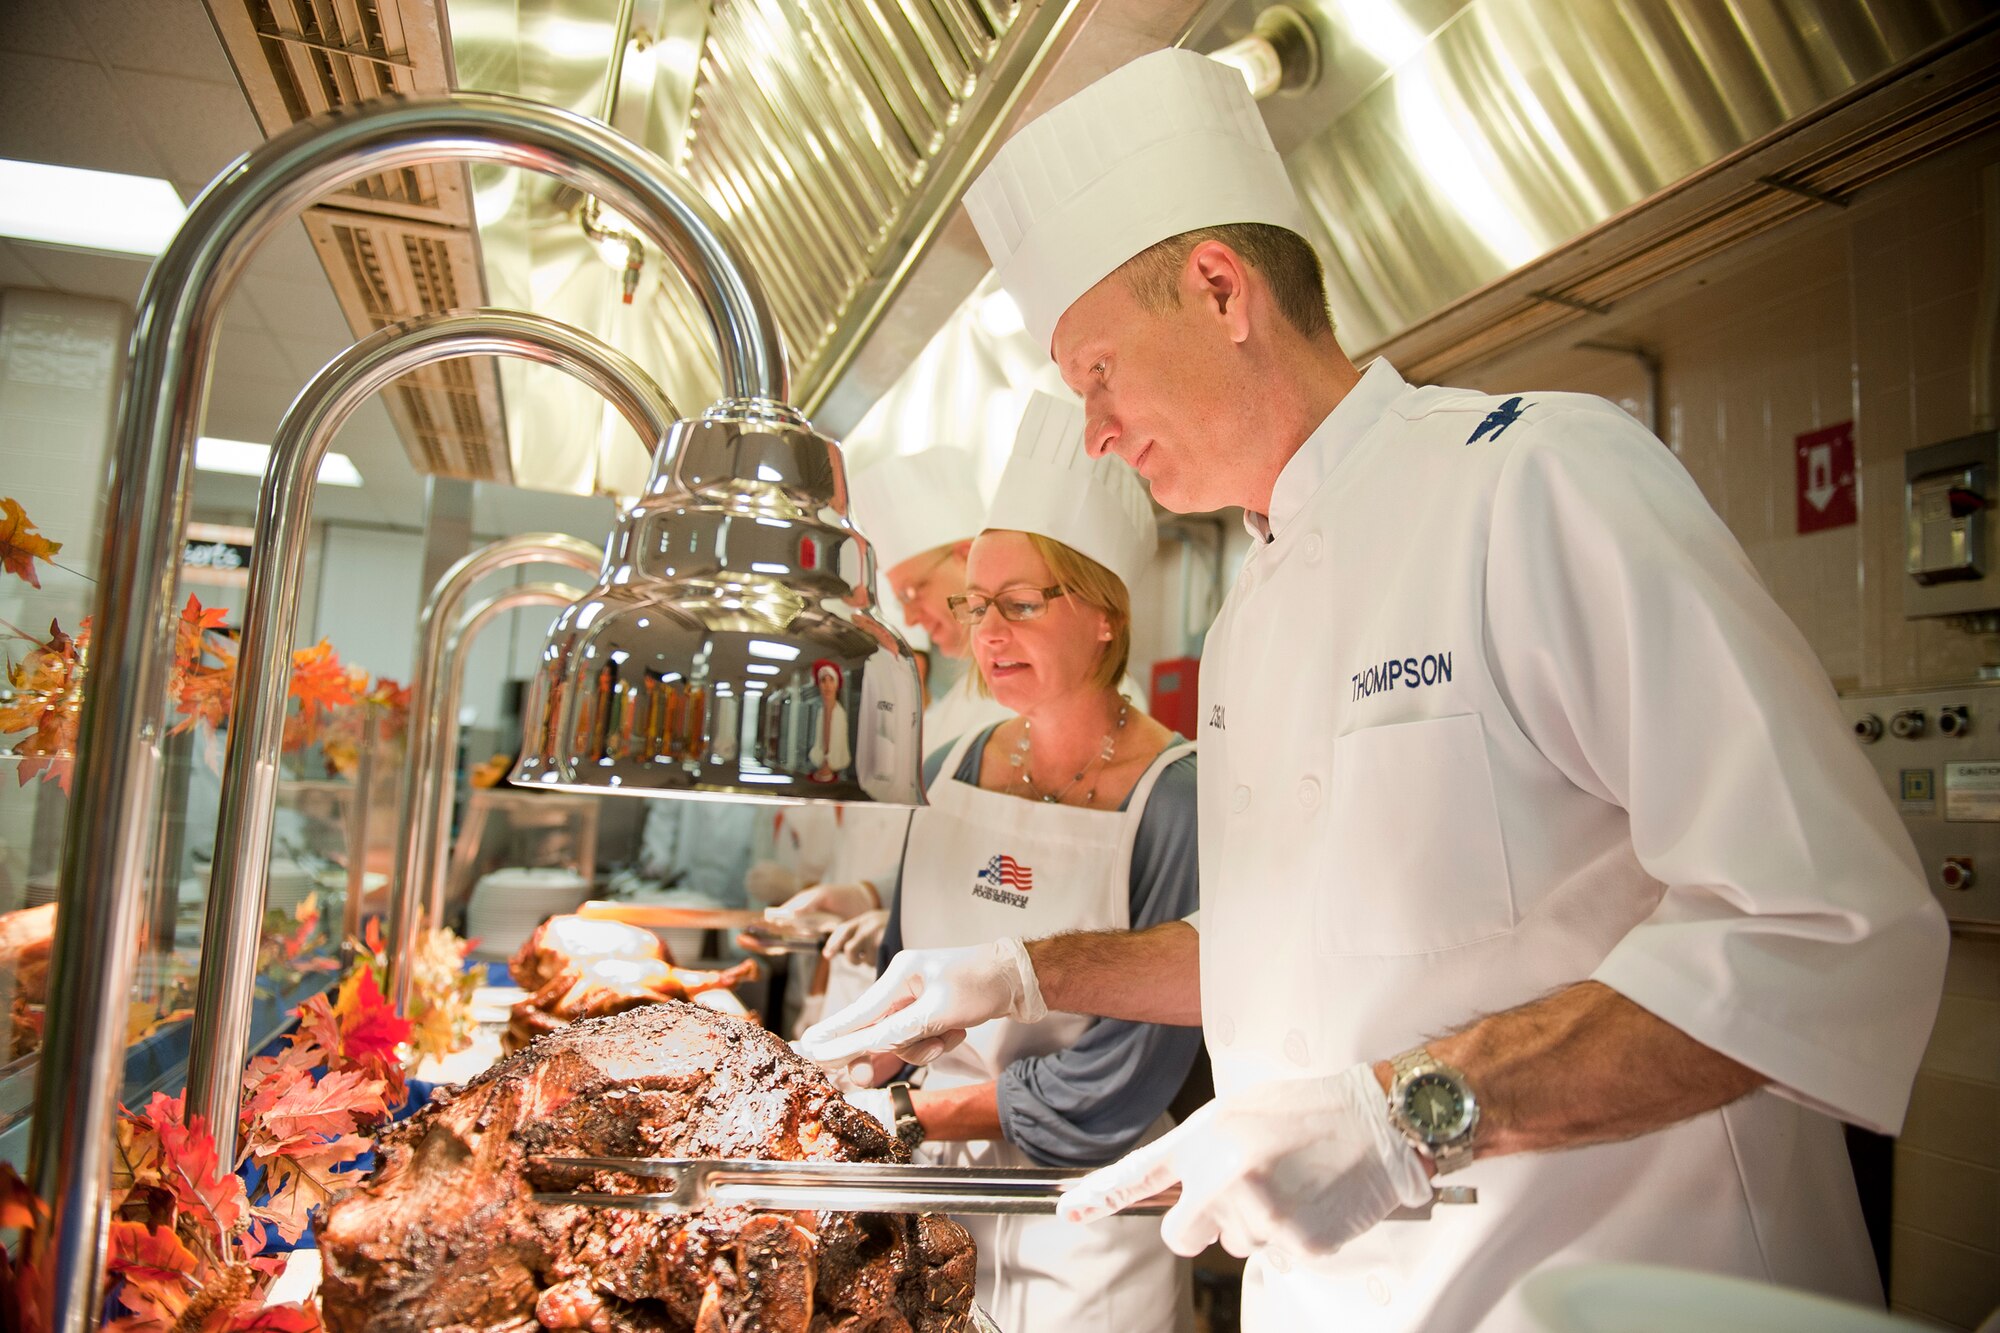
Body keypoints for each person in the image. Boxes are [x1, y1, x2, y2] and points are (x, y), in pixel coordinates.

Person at [799, 47, 1950, 1332]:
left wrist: (1405, 1116)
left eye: (1098, 373)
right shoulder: (1247, 617)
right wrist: (1024, 968)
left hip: (1603, 1293)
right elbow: (1286, 958)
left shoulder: (1533, 483)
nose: (1098, 433)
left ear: (1220, 290)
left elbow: (1818, 932)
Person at [842, 390, 1198, 1332]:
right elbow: (897, 971)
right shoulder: (952, 769)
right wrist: (843, 1081)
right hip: (928, 1210)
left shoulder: (1174, 795)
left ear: (1104, 615)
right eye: (973, 604)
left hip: (1088, 1222)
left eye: (1019, 604)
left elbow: (1129, 1071)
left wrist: (924, 1116)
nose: (985, 633)